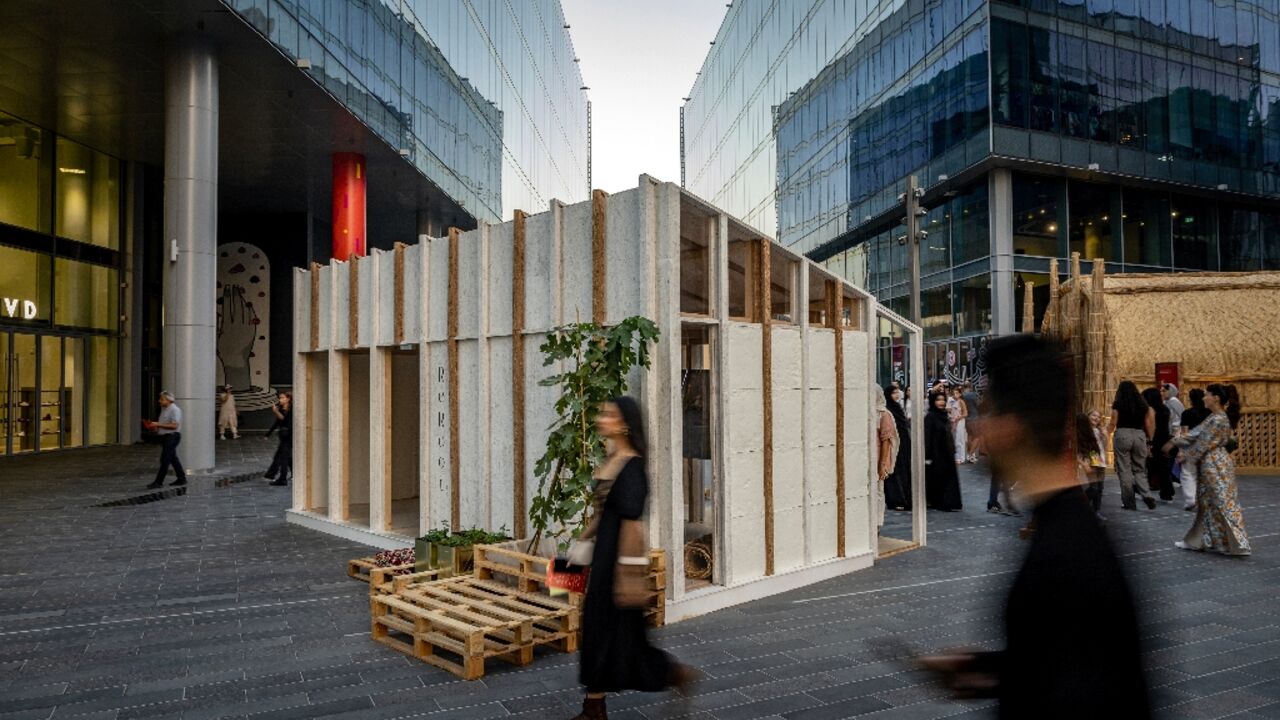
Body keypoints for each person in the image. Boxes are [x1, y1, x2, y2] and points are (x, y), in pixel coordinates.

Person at [921, 334, 1151, 718]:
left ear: (1011, 427)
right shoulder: (1069, 531)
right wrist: (986, 670)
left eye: (988, 414)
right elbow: (1063, 660)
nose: (980, 429)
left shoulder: (1064, 556)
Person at [573, 396, 693, 719]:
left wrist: (628, 576)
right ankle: (594, 706)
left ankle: (672, 673)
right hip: (603, 558)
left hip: (618, 563)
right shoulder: (612, 460)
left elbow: (632, 526)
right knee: (599, 631)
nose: (602, 418)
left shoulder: (632, 468)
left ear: (625, 423)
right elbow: (602, 514)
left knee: (626, 641)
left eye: (608, 414)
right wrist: (579, 544)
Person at [1166, 384, 1251, 556]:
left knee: (1222, 501)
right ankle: (1197, 540)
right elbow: (1195, 434)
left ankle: (1239, 544)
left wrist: (1182, 451)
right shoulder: (1215, 417)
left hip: (1215, 464)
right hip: (1212, 463)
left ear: (1216, 398)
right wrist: (1175, 443)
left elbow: (1202, 442)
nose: (1204, 398)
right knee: (1207, 502)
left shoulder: (1218, 419)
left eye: (1207, 395)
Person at [1109, 380, 1157, 510]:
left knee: (1124, 470)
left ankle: (1129, 502)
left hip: (1123, 434)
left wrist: (1106, 434)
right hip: (1139, 435)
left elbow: (1114, 421)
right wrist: (1150, 440)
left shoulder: (1118, 403)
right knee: (1140, 469)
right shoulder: (1143, 404)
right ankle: (1147, 494)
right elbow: (1148, 424)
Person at [925, 391, 962, 511]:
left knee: (949, 477)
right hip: (937, 454)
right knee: (940, 478)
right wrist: (927, 455)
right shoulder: (930, 417)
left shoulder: (944, 415)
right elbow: (927, 437)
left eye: (942, 400)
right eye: (938, 400)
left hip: (947, 452)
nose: (941, 402)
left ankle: (950, 502)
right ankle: (941, 502)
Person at [144, 391, 186, 489]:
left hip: (172, 436)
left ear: (169, 400)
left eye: (162, 399)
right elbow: (164, 423)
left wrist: (157, 424)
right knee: (173, 458)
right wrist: (155, 426)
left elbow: (174, 425)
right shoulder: (164, 409)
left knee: (165, 460)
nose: (159, 401)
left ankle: (159, 482)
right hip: (166, 437)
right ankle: (181, 478)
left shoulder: (175, 410)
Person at [1178, 389, 1211, 511]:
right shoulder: (1210, 413)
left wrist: (1181, 450)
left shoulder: (1186, 414)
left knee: (1188, 473)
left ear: (1190, 399)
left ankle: (1190, 500)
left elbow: (1184, 433)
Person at [884, 385, 913, 511]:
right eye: (893, 393)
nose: (896, 395)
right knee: (895, 472)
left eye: (897, 392)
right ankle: (896, 499)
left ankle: (904, 497)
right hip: (894, 446)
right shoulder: (888, 410)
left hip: (904, 445)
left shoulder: (897, 408)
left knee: (903, 471)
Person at [1143, 387, 1174, 502]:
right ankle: (1167, 492)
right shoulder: (1165, 409)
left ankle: (1141, 489)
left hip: (1155, 439)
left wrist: (1149, 442)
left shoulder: (1150, 409)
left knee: (1150, 465)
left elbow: (1151, 426)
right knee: (1163, 467)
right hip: (1165, 439)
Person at [874, 386, 899, 526]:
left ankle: (877, 523)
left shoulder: (883, 415)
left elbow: (886, 441)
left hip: (878, 460)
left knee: (878, 492)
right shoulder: (868, 413)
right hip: (867, 459)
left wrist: (882, 465)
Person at [1084, 409, 1109, 519]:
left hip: (1100, 460)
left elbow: (1104, 446)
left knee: (1100, 488)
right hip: (1091, 459)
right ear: (1088, 416)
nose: (1096, 418)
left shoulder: (1099, 430)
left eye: (1098, 417)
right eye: (1094, 415)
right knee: (1093, 488)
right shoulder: (1084, 430)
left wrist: (1105, 435)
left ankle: (1096, 511)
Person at [264, 391, 293, 486]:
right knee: (283, 456)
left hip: (288, 435)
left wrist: (276, 411)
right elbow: (277, 422)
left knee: (283, 457)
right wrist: (268, 434)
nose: (280, 400)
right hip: (283, 435)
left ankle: (282, 479)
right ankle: (273, 474)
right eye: (280, 398)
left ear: (288, 399)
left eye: (282, 398)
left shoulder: (291, 409)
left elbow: (284, 419)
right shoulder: (281, 408)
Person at [948, 386, 968, 464]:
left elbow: (966, 413)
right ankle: (957, 457)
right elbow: (949, 410)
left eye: (956, 393)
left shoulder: (961, 401)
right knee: (954, 438)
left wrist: (958, 418)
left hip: (960, 421)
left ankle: (962, 457)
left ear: (960, 394)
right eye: (953, 393)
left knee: (960, 439)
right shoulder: (950, 401)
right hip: (953, 421)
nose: (955, 394)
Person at [962, 383, 981, 463]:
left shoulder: (962, 395)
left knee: (969, 436)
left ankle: (971, 455)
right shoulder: (973, 395)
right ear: (971, 387)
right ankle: (970, 454)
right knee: (977, 437)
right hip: (975, 418)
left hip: (967, 418)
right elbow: (979, 404)